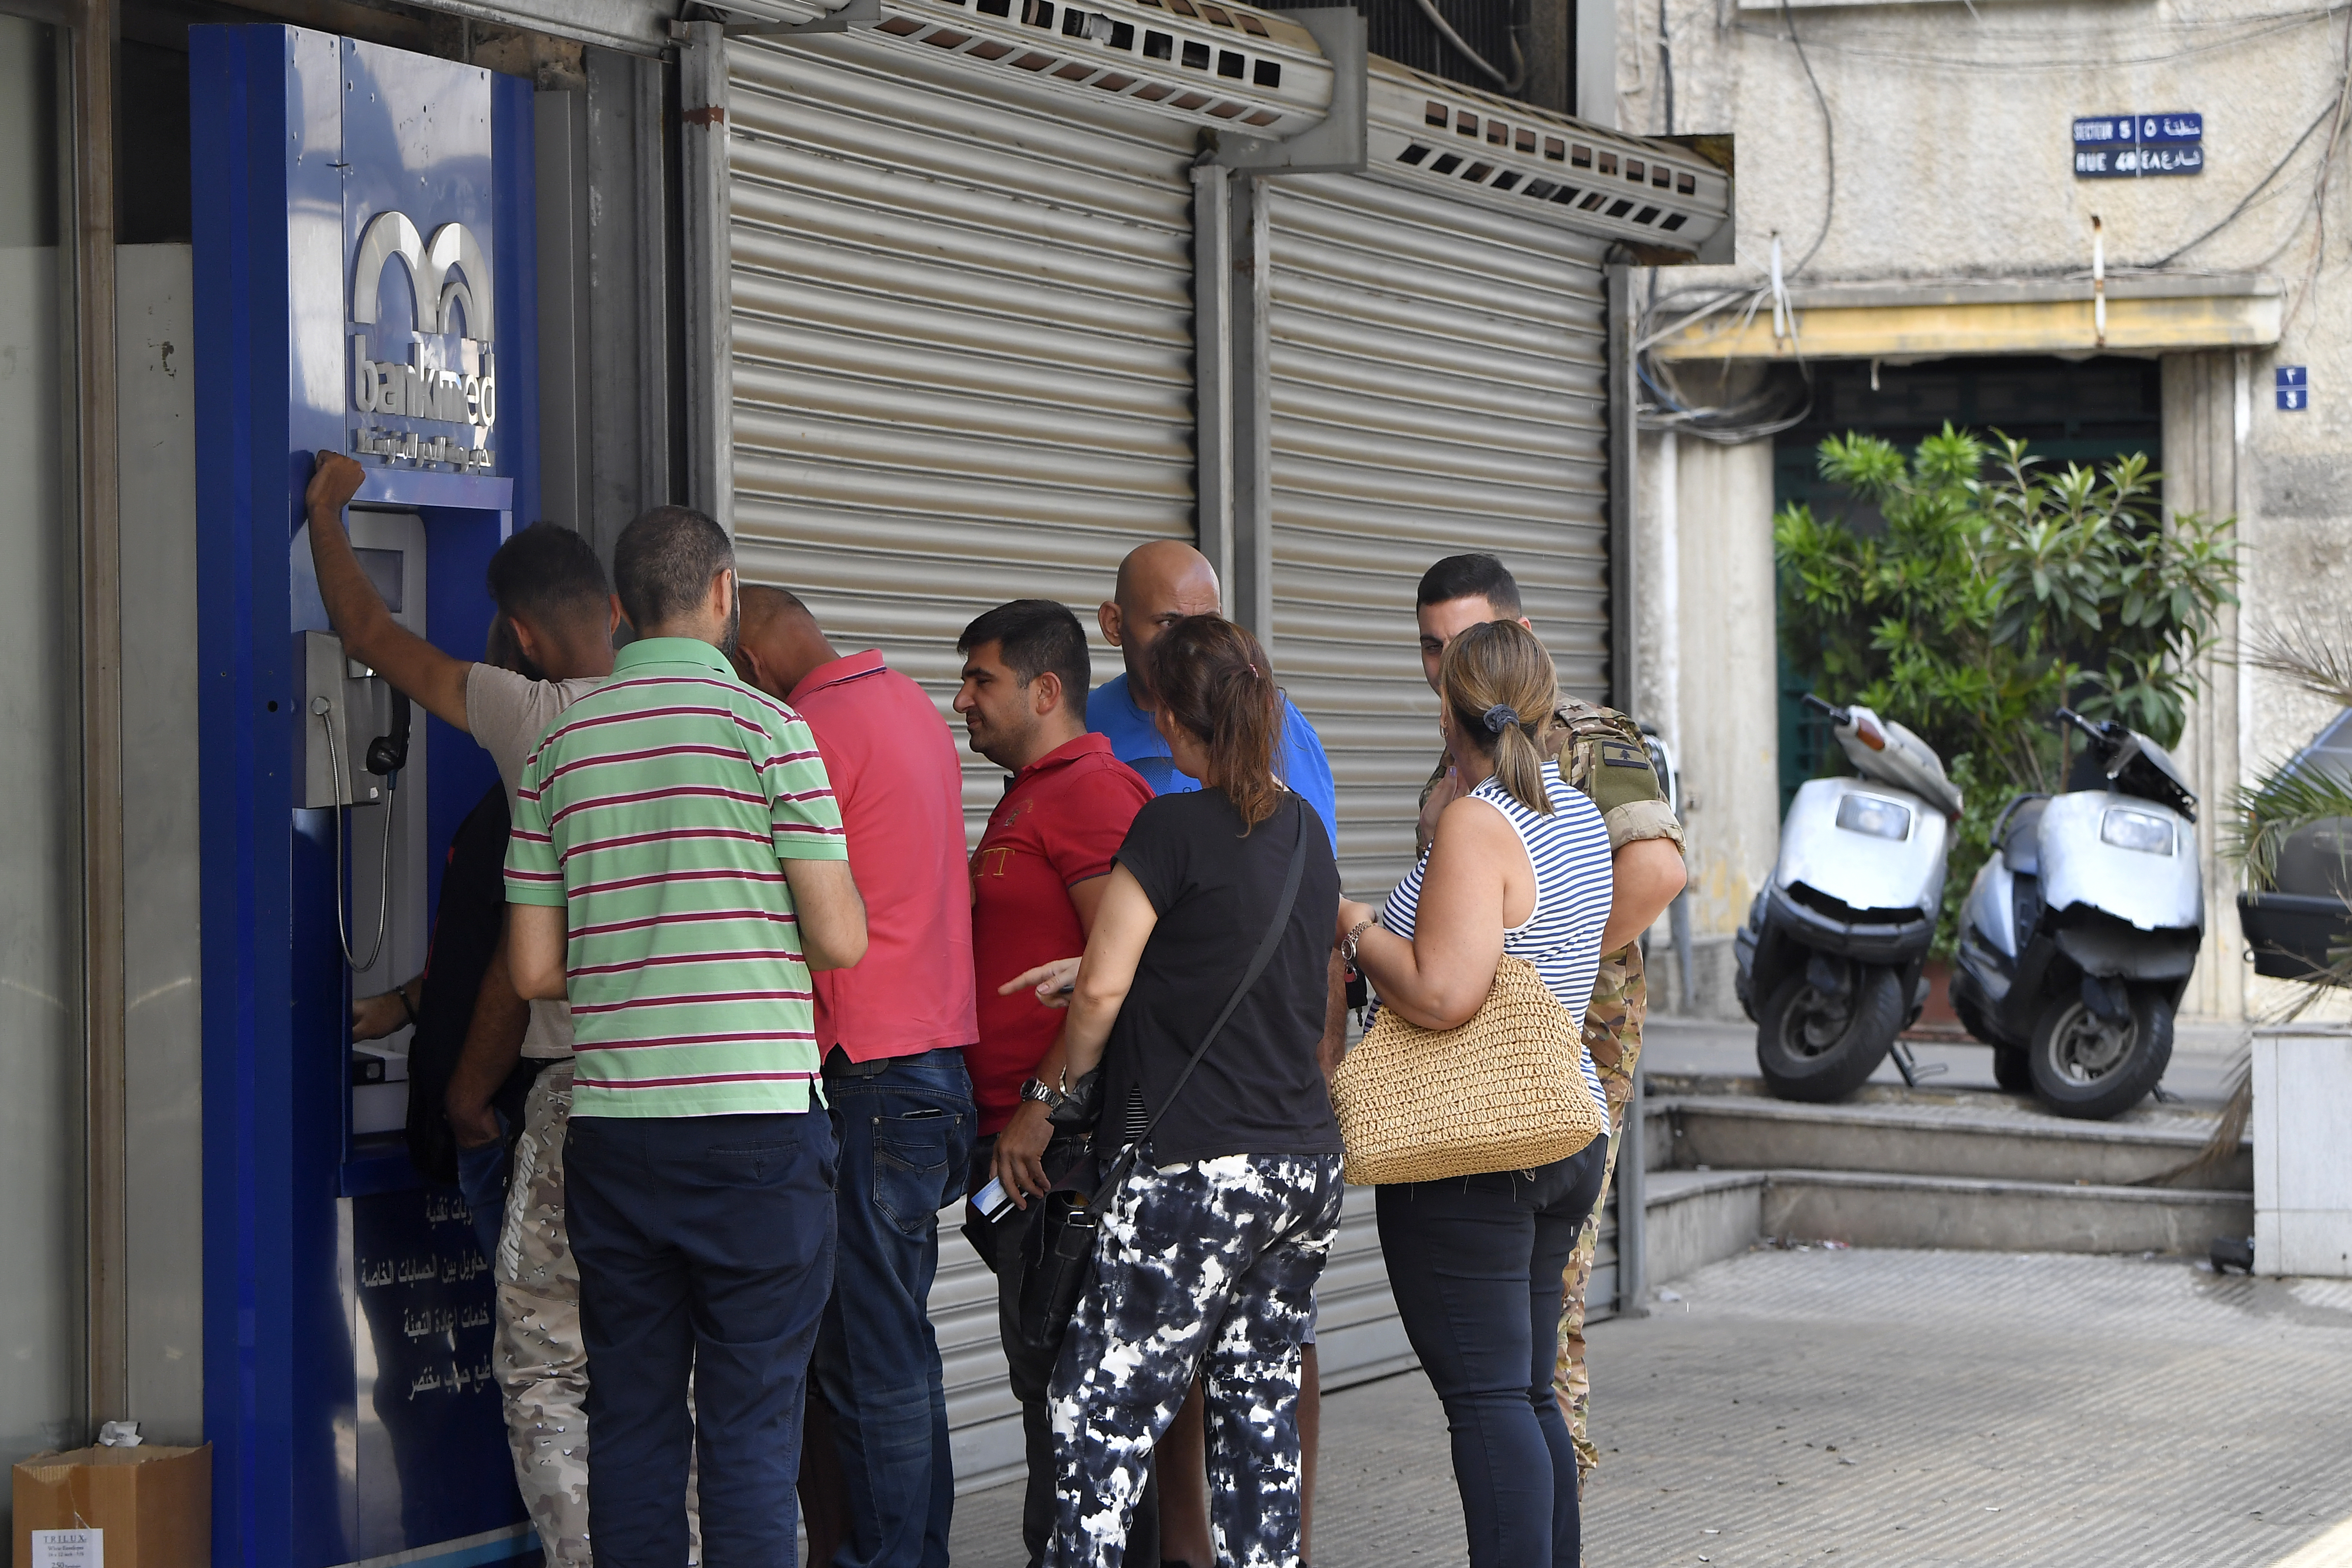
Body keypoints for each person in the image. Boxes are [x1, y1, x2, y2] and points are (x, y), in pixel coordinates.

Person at [504, 505, 868, 1566]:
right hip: (756, 1132)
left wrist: (636, 952)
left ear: (618, 610)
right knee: (753, 1430)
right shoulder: (771, 733)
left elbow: (532, 969)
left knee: (633, 1420)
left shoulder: (559, 746)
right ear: (723, 595)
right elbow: (839, 937)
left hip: (617, 1134)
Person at [304, 452, 618, 1564]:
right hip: (702, 1103)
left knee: (546, 1367)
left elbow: (376, 643)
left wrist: (326, 517)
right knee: (654, 1362)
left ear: (523, 637)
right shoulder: (723, 725)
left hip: (560, 1099)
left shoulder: (536, 719)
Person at [1045, 614, 1343, 1568]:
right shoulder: (1302, 830)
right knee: (1256, 1417)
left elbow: (1102, 987)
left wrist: (1054, 1086)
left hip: (1196, 1173)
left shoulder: (1167, 824)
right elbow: (1238, 954)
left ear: (1171, 719)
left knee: (1098, 1414)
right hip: (1300, 1166)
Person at [1339, 618, 1616, 1568]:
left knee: (1492, 1399)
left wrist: (1357, 927)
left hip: (1478, 1147)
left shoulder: (1480, 821)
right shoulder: (1573, 814)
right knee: (1527, 1389)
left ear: (1448, 706)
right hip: (1560, 1125)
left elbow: (1442, 990)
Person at [1413, 552, 1687, 1486]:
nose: (1445, 665)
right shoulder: (1452, 773)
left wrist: (1540, 979)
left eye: (1463, 643)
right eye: (1430, 648)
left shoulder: (1586, 736)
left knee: (1547, 1311)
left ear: (1517, 637)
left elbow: (1655, 869)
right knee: (1504, 1335)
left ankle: (1549, 1500)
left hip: (1575, 1046)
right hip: (1476, 1071)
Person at [732, 585, 977, 1568]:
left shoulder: (807, 732)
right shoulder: (908, 704)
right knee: (898, 1347)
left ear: (749, 660)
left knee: (865, 1357)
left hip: (866, 1074)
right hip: (929, 1070)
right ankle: (916, 1551)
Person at [952, 599, 1154, 1568]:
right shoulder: (1034, 788)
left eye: (979, 680)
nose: (961, 701)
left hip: (1065, 1149)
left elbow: (1116, 971)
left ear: (1044, 689)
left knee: (1073, 1389)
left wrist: (1043, 1109)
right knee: (1053, 1385)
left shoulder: (1086, 791)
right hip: (1022, 1149)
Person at [353, 618, 546, 1264]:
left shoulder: (534, 804)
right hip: (476, 1130)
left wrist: (466, 1104)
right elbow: (477, 943)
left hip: (500, 1125)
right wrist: (408, 1003)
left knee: (535, 1349)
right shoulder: (506, 802)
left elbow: (518, 963)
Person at [1089, 541, 1338, 850]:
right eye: (1168, 624)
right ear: (1114, 625)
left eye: (1207, 626)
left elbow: (1313, 869)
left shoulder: (1267, 718)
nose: (1190, 647)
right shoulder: (1080, 723)